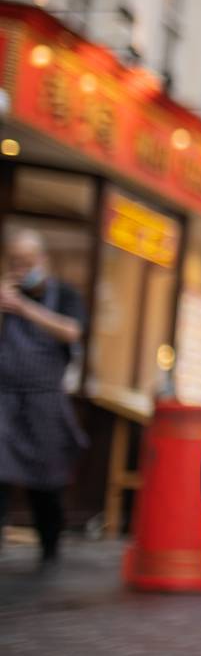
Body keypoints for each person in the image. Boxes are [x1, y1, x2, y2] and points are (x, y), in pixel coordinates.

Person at [0, 227, 87, 566]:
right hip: (5, 398)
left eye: (27, 261)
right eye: (15, 262)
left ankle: (50, 547)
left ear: (43, 260)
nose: (22, 268)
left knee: (46, 482)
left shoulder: (64, 295)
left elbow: (72, 331)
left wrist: (23, 308)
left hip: (45, 401)